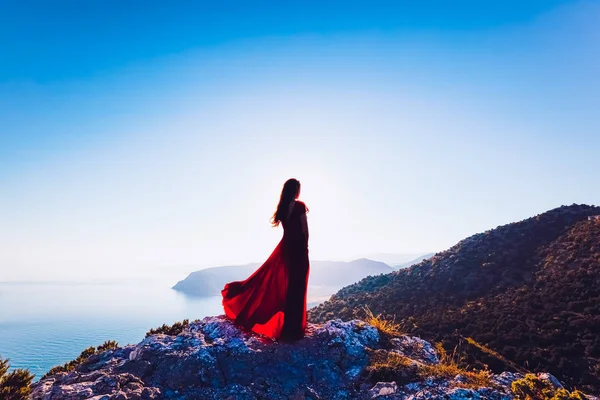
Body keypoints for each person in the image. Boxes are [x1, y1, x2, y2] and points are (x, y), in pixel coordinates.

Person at [221, 178, 310, 340]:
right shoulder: (299, 205)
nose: (300, 191)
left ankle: (288, 329)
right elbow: (304, 230)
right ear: (295, 190)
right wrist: (305, 248)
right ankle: (294, 329)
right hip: (298, 250)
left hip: (285, 249)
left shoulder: (282, 208)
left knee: (288, 287)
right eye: (299, 188)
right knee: (298, 285)